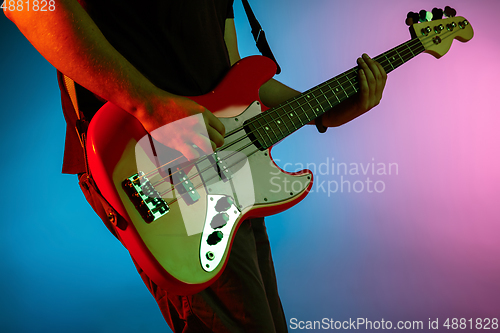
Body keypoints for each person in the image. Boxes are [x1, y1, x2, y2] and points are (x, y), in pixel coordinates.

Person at [4, 0, 387, 331]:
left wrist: (322, 111)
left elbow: (231, 76)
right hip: (147, 159)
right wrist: (147, 104)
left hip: (224, 163)